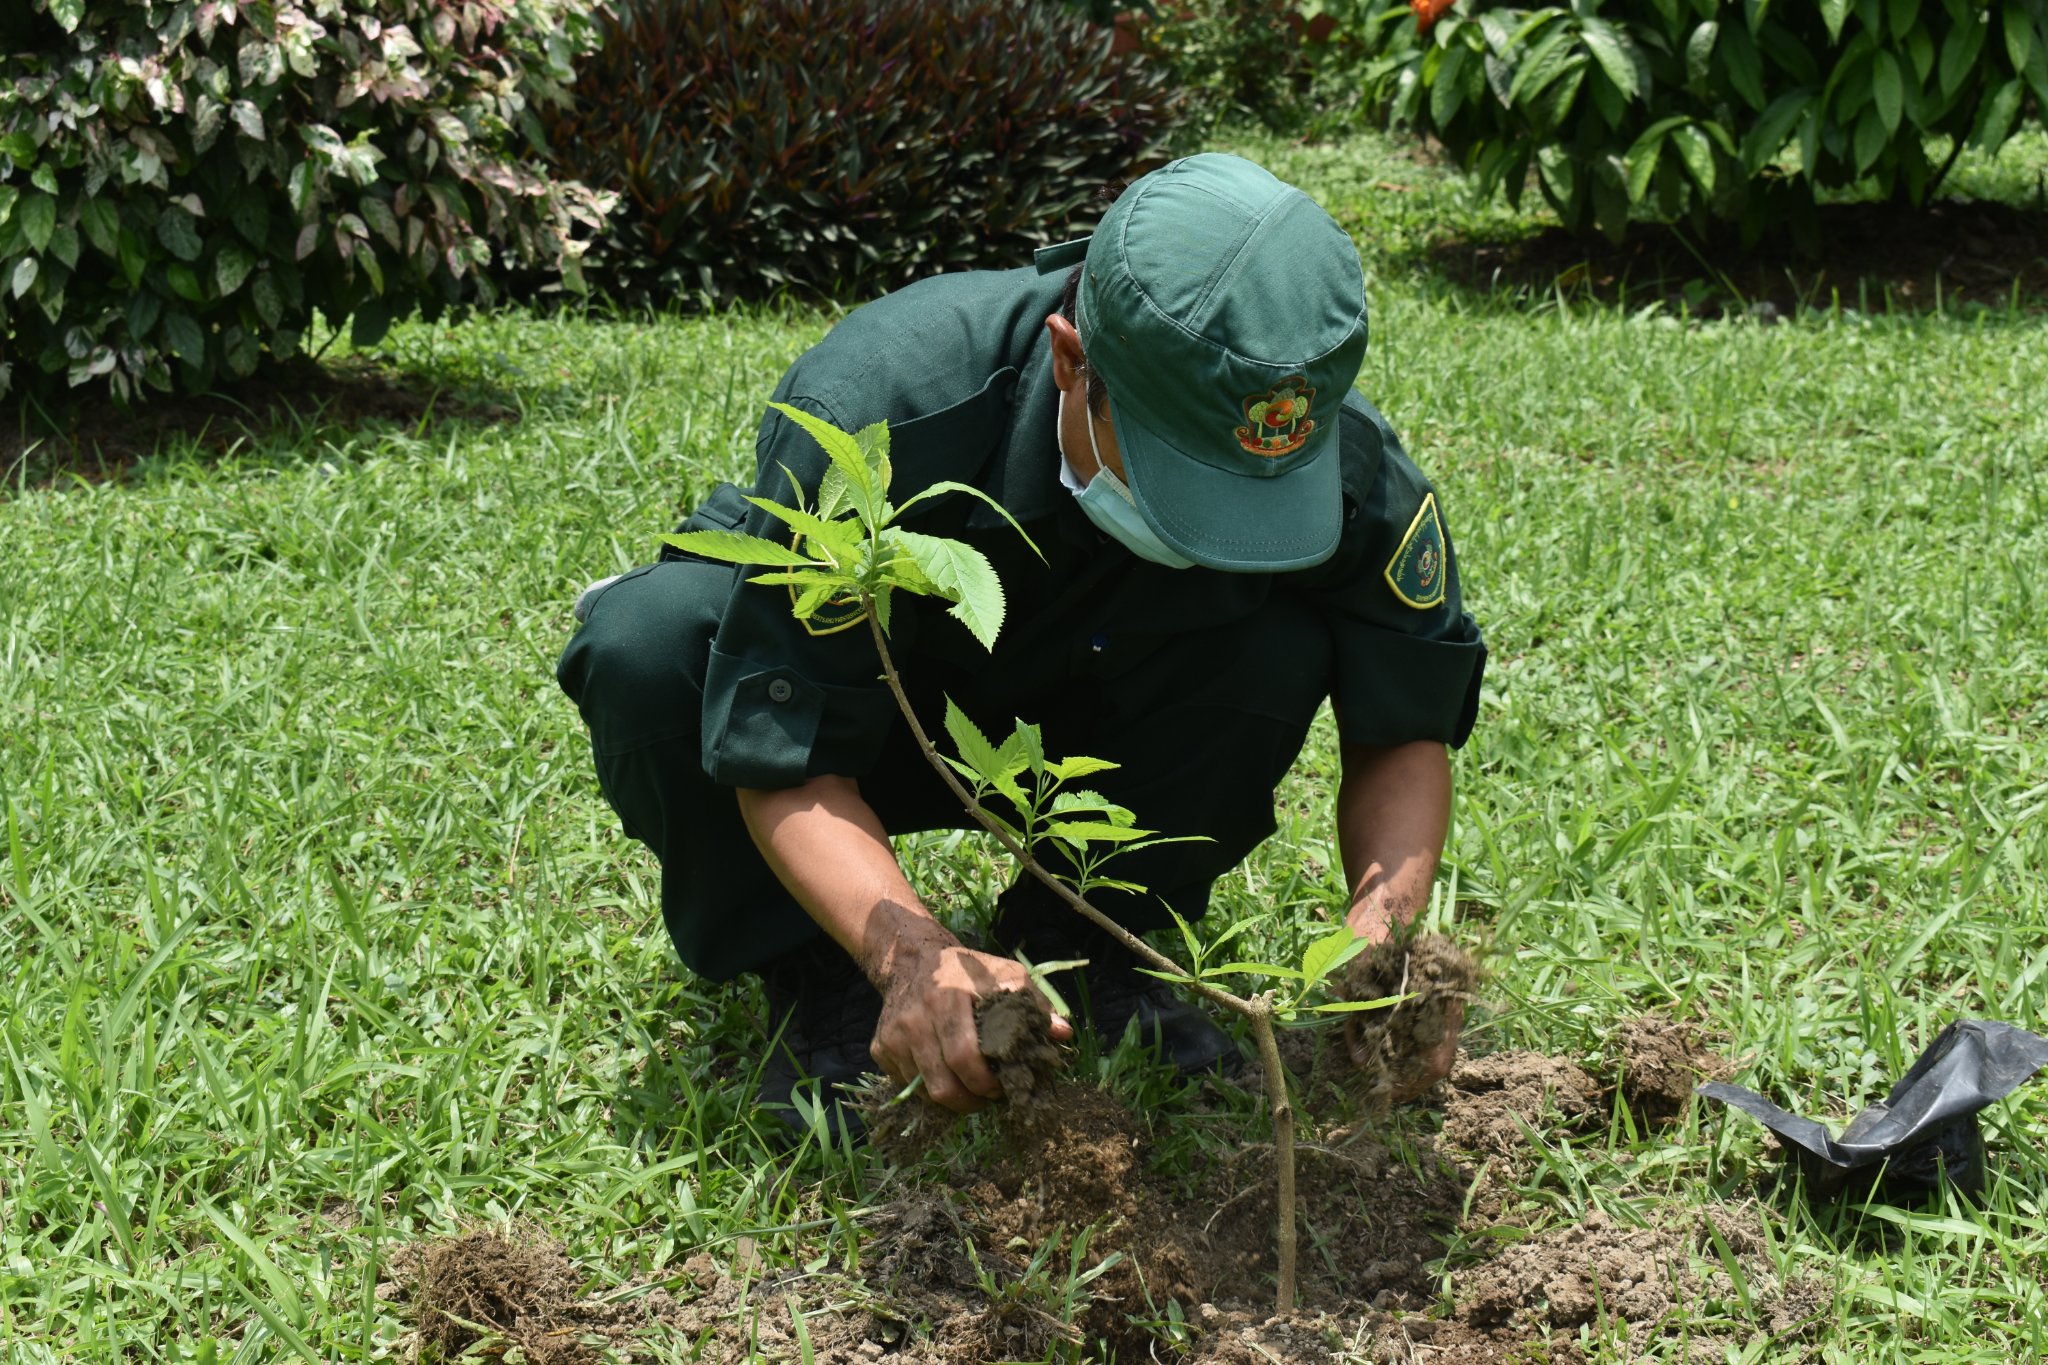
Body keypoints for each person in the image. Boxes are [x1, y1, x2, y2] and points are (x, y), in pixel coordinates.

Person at [557, 153, 1486, 1136]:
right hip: (880, 718)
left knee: (1284, 639)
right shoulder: (888, 404)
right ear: (1071, 360)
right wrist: (908, 954)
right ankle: (815, 972)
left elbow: (1402, 723)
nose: (1205, 527)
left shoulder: (1345, 467)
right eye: (1183, 477)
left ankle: (1100, 943)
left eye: (1256, 494)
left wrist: (1379, 942)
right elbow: (784, 753)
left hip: (1118, 712)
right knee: (651, 646)